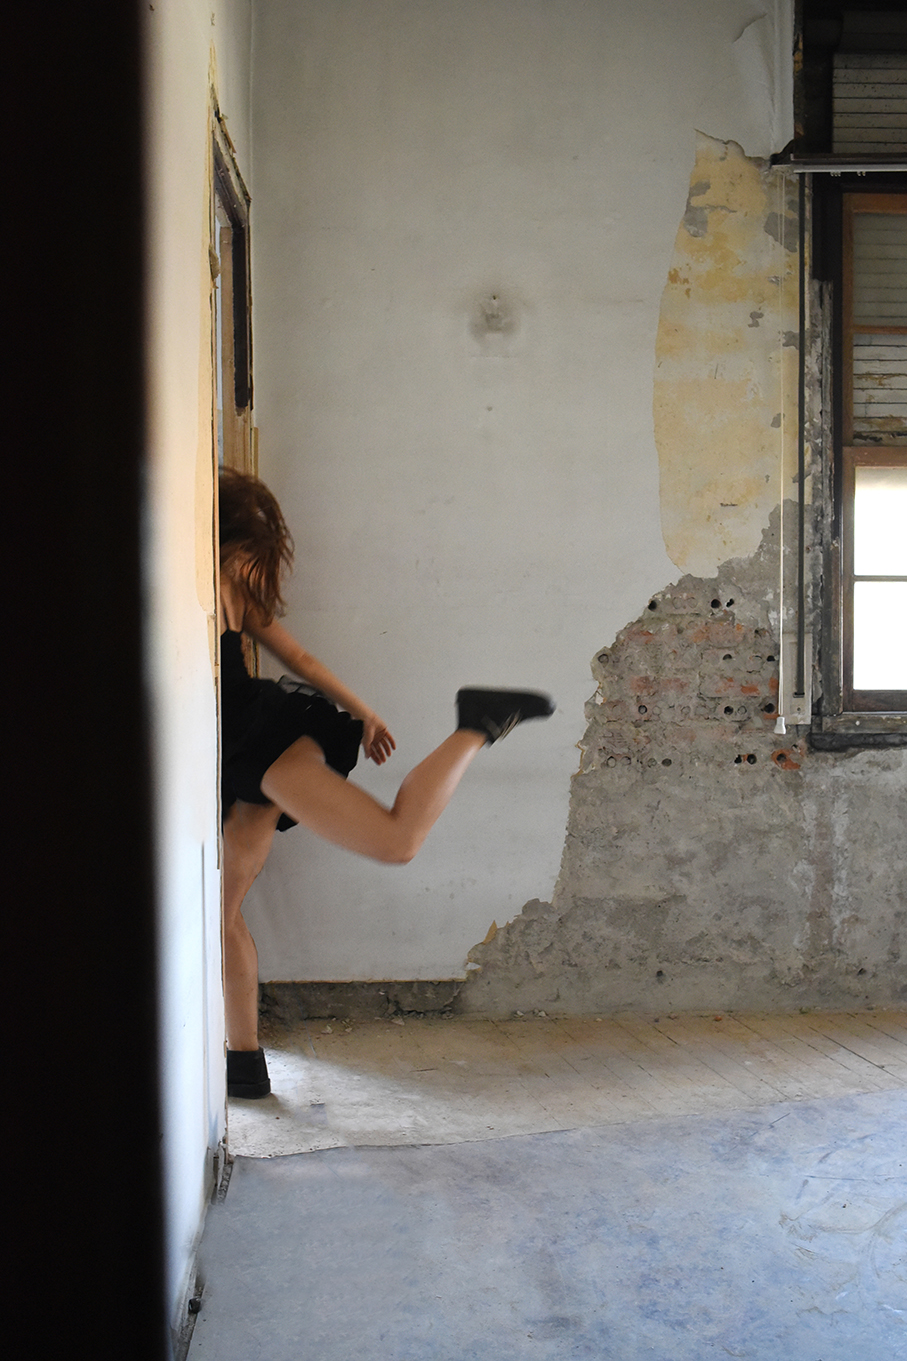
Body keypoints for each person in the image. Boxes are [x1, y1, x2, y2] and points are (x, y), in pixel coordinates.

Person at [218, 468, 554, 1097]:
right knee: (223, 911)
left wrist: (367, 712)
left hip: (262, 747)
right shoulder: (227, 584)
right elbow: (300, 660)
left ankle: (477, 724)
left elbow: (297, 659)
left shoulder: (218, 584)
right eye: (246, 552)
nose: (251, 565)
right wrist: (364, 712)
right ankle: (244, 1065)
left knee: (397, 842)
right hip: (250, 754)